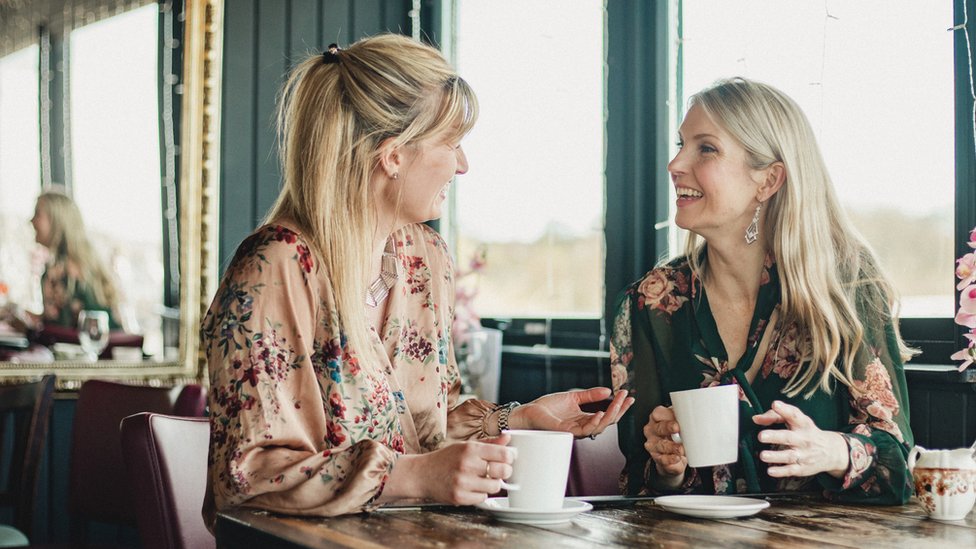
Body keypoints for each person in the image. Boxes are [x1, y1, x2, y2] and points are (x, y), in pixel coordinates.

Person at [201, 34, 633, 523]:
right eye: (452, 143)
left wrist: (517, 419)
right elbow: (249, 476)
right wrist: (413, 478)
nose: (463, 164)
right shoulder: (275, 267)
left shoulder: (424, 259)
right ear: (394, 155)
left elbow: (427, 427)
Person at [610, 77, 915, 504]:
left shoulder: (847, 287)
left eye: (706, 148)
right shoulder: (651, 303)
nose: (675, 164)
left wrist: (833, 451)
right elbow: (635, 485)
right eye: (680, 144)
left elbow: (898, 469)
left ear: (768, 181)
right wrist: (666, 468)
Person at [1, 190, 121, 333]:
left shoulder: (67, 270)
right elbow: (59, 320)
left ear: (56, 221)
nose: (31, 221)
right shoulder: (73, 264)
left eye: (37, 214)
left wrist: (26, 327)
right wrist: (19, 315)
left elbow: (63, 331)